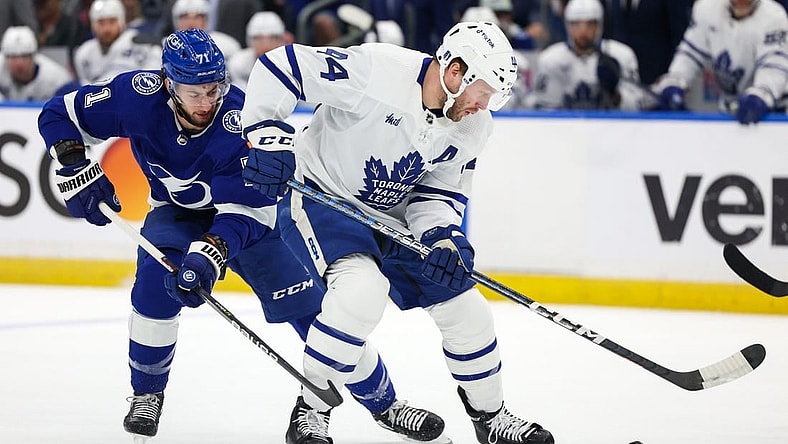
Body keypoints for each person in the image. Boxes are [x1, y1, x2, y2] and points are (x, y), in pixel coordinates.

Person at [37, 28, 447, 443]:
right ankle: (146, 394)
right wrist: (73, 165)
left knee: (316, 313)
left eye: (214, 89)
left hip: (252, 223)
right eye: (193, 92)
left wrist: (210, 254)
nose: (205, 102)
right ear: (167, 84)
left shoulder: (241, 121)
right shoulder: (136, 97)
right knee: (152, 289)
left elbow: (244, 212)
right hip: (176, 214)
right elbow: (58, 114)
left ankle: (385, 403)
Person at [241, 20, 555, 444]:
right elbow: (282, 66)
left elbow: (438, 190)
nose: (485, 106)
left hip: (395, 217)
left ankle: (491, 418)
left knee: (468, 311)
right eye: (484, 92)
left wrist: (443, 237)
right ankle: (310, 412)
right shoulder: (377, 69)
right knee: (361, 294)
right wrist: (267, 137)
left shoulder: (472, 125)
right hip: (322, 197)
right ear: (455, 71)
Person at [654, 0, 788, 124]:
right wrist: (675, 81)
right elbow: (690, 54)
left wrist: (760, 96)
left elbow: (774, 65)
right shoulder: (706, 9)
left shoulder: (774, 17)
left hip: (774, 111)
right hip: (729, 110)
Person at [528, 0, 648, 110]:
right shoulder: (551, 59)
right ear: (567, 25)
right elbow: (544, 108)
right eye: (576, 24)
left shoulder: (621, 55)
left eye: (590, 24)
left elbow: (638, 105)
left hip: (610, 129)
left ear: (600, 25)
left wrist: (615, 95)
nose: (583, 31)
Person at [72, 0, 160, 84]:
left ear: (121, 22)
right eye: (101, 23)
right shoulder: (84, 53)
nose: (107, 29)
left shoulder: (139, 42)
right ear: (93, 25)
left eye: (112, 22)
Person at [0, 25, 78, 101]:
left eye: (25, 56)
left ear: (34, 56)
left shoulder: (57, 79)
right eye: (13, 57)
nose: (19, 63)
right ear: (5, 57)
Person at [228, 11, 289, 91]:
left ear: (281, 40)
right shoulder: (239, 64)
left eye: (272, 39)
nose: (266, 45)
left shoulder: (289, 65)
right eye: (259, 39)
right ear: (250, 41)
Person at [169, 0, 241, 60]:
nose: (191, 22)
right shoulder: (167, 47)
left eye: (197, 17)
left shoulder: (227, 45)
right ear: (176, 20)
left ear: (206, 19)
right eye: (185, 17)